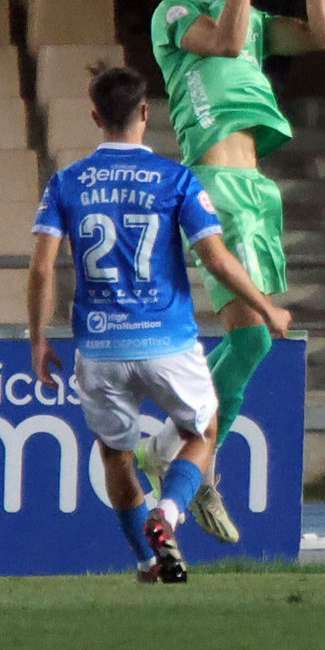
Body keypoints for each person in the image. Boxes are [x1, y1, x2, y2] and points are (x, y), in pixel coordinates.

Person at [27, 67, 292, 583]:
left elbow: (42, 269)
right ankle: (167, 513)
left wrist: (38, 341)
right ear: (146, 113)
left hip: (100, 347)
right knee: (204, 429)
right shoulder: (175, 179)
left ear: (95, 117)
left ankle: (150, 563)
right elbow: (216, 259)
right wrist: (265, 308)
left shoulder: (66, 183)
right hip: (166, 340)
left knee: (116, 459)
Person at [138, 0, 325, 543]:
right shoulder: (175, 13)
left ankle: (171, 445)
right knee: (251, 339)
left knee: (254, 344)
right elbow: (223, 43)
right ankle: (192, 465)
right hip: (213, 182)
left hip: (257, 189)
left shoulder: (252, 21)